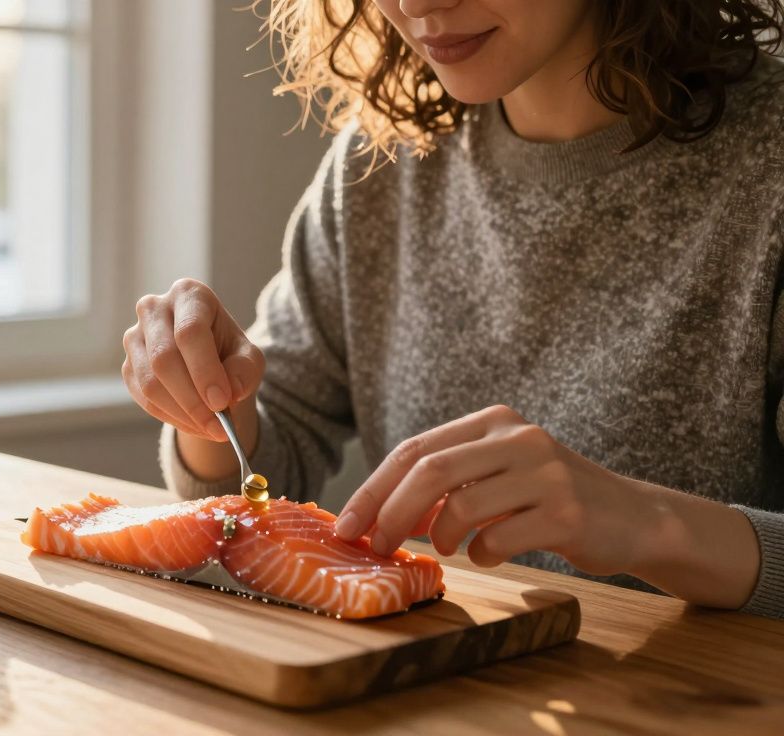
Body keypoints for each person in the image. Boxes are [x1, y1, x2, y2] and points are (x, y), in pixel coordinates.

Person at [121, 0, 784, 618]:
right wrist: (210, 407)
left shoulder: (768, 164)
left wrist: (651, 525)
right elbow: (264, 474)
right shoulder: (381, 163)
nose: (416, 4)